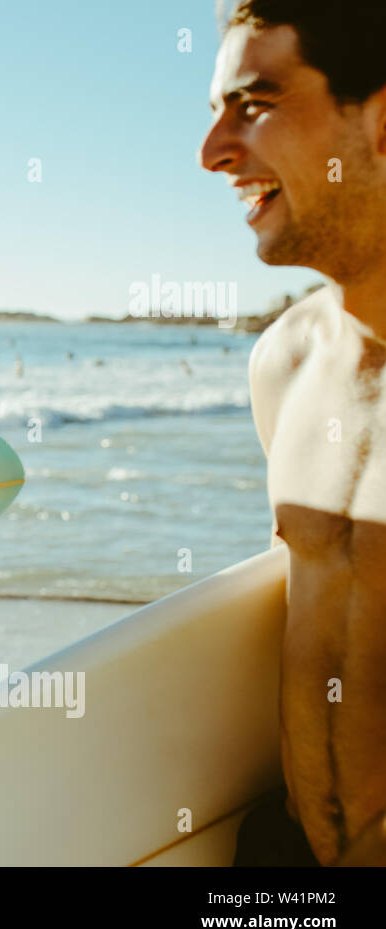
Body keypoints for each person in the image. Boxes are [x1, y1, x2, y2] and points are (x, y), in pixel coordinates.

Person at [199, 0, 386, 865]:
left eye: (255, 104)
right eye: (214, 113)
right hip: (291, 861)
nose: (214, 153)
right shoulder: (285, 362)